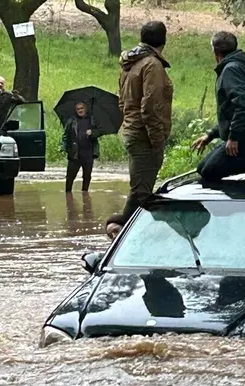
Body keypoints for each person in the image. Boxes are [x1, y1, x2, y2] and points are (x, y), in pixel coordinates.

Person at [104, 21, 173, 238]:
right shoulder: (152, 64)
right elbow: (150, 105)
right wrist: (157, 137)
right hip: (144, 134)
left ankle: (125, 230)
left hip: (132, 130)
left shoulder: (130, 64)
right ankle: (123, 233)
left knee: (139, 188)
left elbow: (122, 103)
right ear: (164, 40)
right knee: (142, 191)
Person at [191, 31, 245, 184]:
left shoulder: (230, 70)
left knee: (210, 171)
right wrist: (210, 135)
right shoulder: (235, 67)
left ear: (215, 51)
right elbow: (229, 112)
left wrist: (234, 137)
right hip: (244, 133)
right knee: (202, 168)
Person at [61, 101, 103, 193]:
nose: (80, 110)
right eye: (78, 109)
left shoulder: (92, 119)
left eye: (82, 108)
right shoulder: (71, 120)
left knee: (87, 176)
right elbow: (65, 135)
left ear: (86, 108)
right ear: (75, 110)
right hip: (74, 153)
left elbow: (100, 131)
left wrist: (93, 132)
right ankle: (68, 195)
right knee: (70, 177)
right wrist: (64, 148)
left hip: (89, 153)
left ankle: (85, 194)